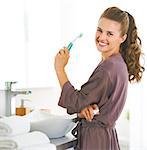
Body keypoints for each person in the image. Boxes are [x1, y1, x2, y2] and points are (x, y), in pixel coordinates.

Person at [54, 6, 145, 150]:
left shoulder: (108, 68)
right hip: (104, 139)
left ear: (122, 38)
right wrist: (84, 110)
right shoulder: (117, 63)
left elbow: (77, 101)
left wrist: (59, 68)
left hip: (95, 141)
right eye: (100, 30)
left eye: (109, 34)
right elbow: (94, 104)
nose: (102, 37)